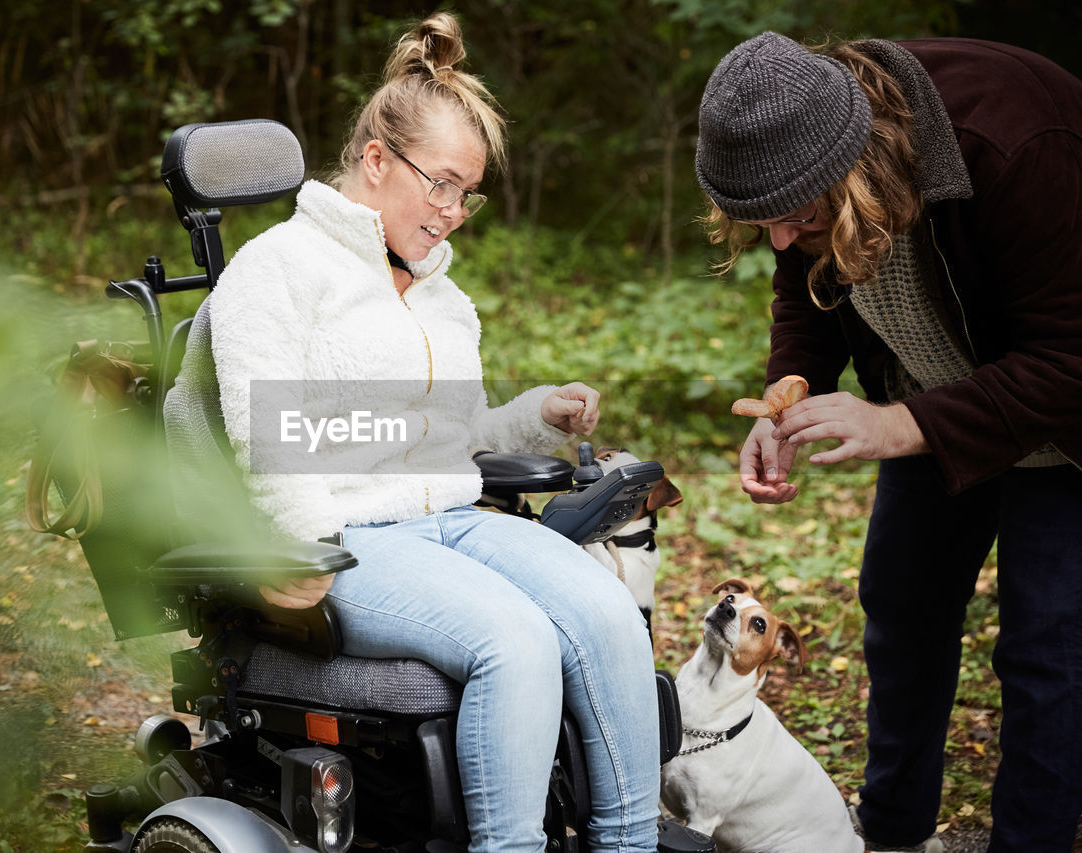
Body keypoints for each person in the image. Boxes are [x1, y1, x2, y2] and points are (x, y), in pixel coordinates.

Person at [171, 13, 663, 852]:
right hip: (349, 534)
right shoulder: (277, 270)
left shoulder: (439, 294)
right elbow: (270, 439)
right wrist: (295, 550)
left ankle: (629, 842)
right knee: (515, 640)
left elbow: (453, 438)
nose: (452, 212)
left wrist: (535, 414)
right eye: (439, 184)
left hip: (453, 520)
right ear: (374, 161)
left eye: (465, 193)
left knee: (608, 611)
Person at [694, 31, 1082, 853]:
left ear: (855, 164)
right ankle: (894, 836)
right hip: (933, 405)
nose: (778, 239)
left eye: (798, 215)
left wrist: (895, 424)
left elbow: (1069, 355)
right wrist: (787, 388)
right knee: (902, 609)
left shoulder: (1016, 147)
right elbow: (804, 281)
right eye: (762, 222)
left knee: (1047, 653)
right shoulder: (809, 156)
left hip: (1066, 432)